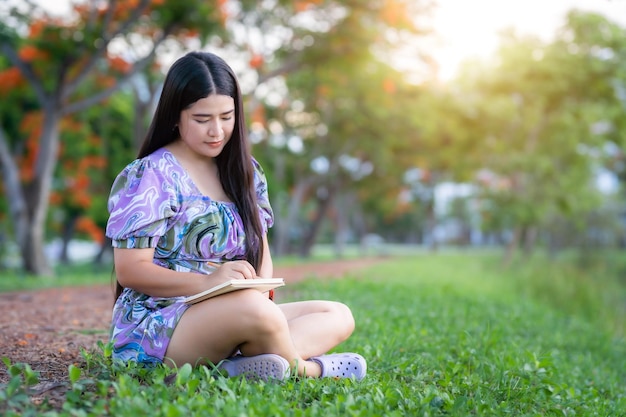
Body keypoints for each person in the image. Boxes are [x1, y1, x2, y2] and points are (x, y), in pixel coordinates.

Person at [105, 51, 367, 381]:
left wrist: (256, 289)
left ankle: (236, 366)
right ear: (175, 116)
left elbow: (262, 255)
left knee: (336, 313)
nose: (217, 131)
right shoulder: (151, 175)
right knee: (258, 313)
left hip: (239, 308)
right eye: (202, 119)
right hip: (161, 323)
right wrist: (209, 283)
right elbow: (131, 271)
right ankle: (308, 369)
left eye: (226, 117)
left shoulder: (245, 173)